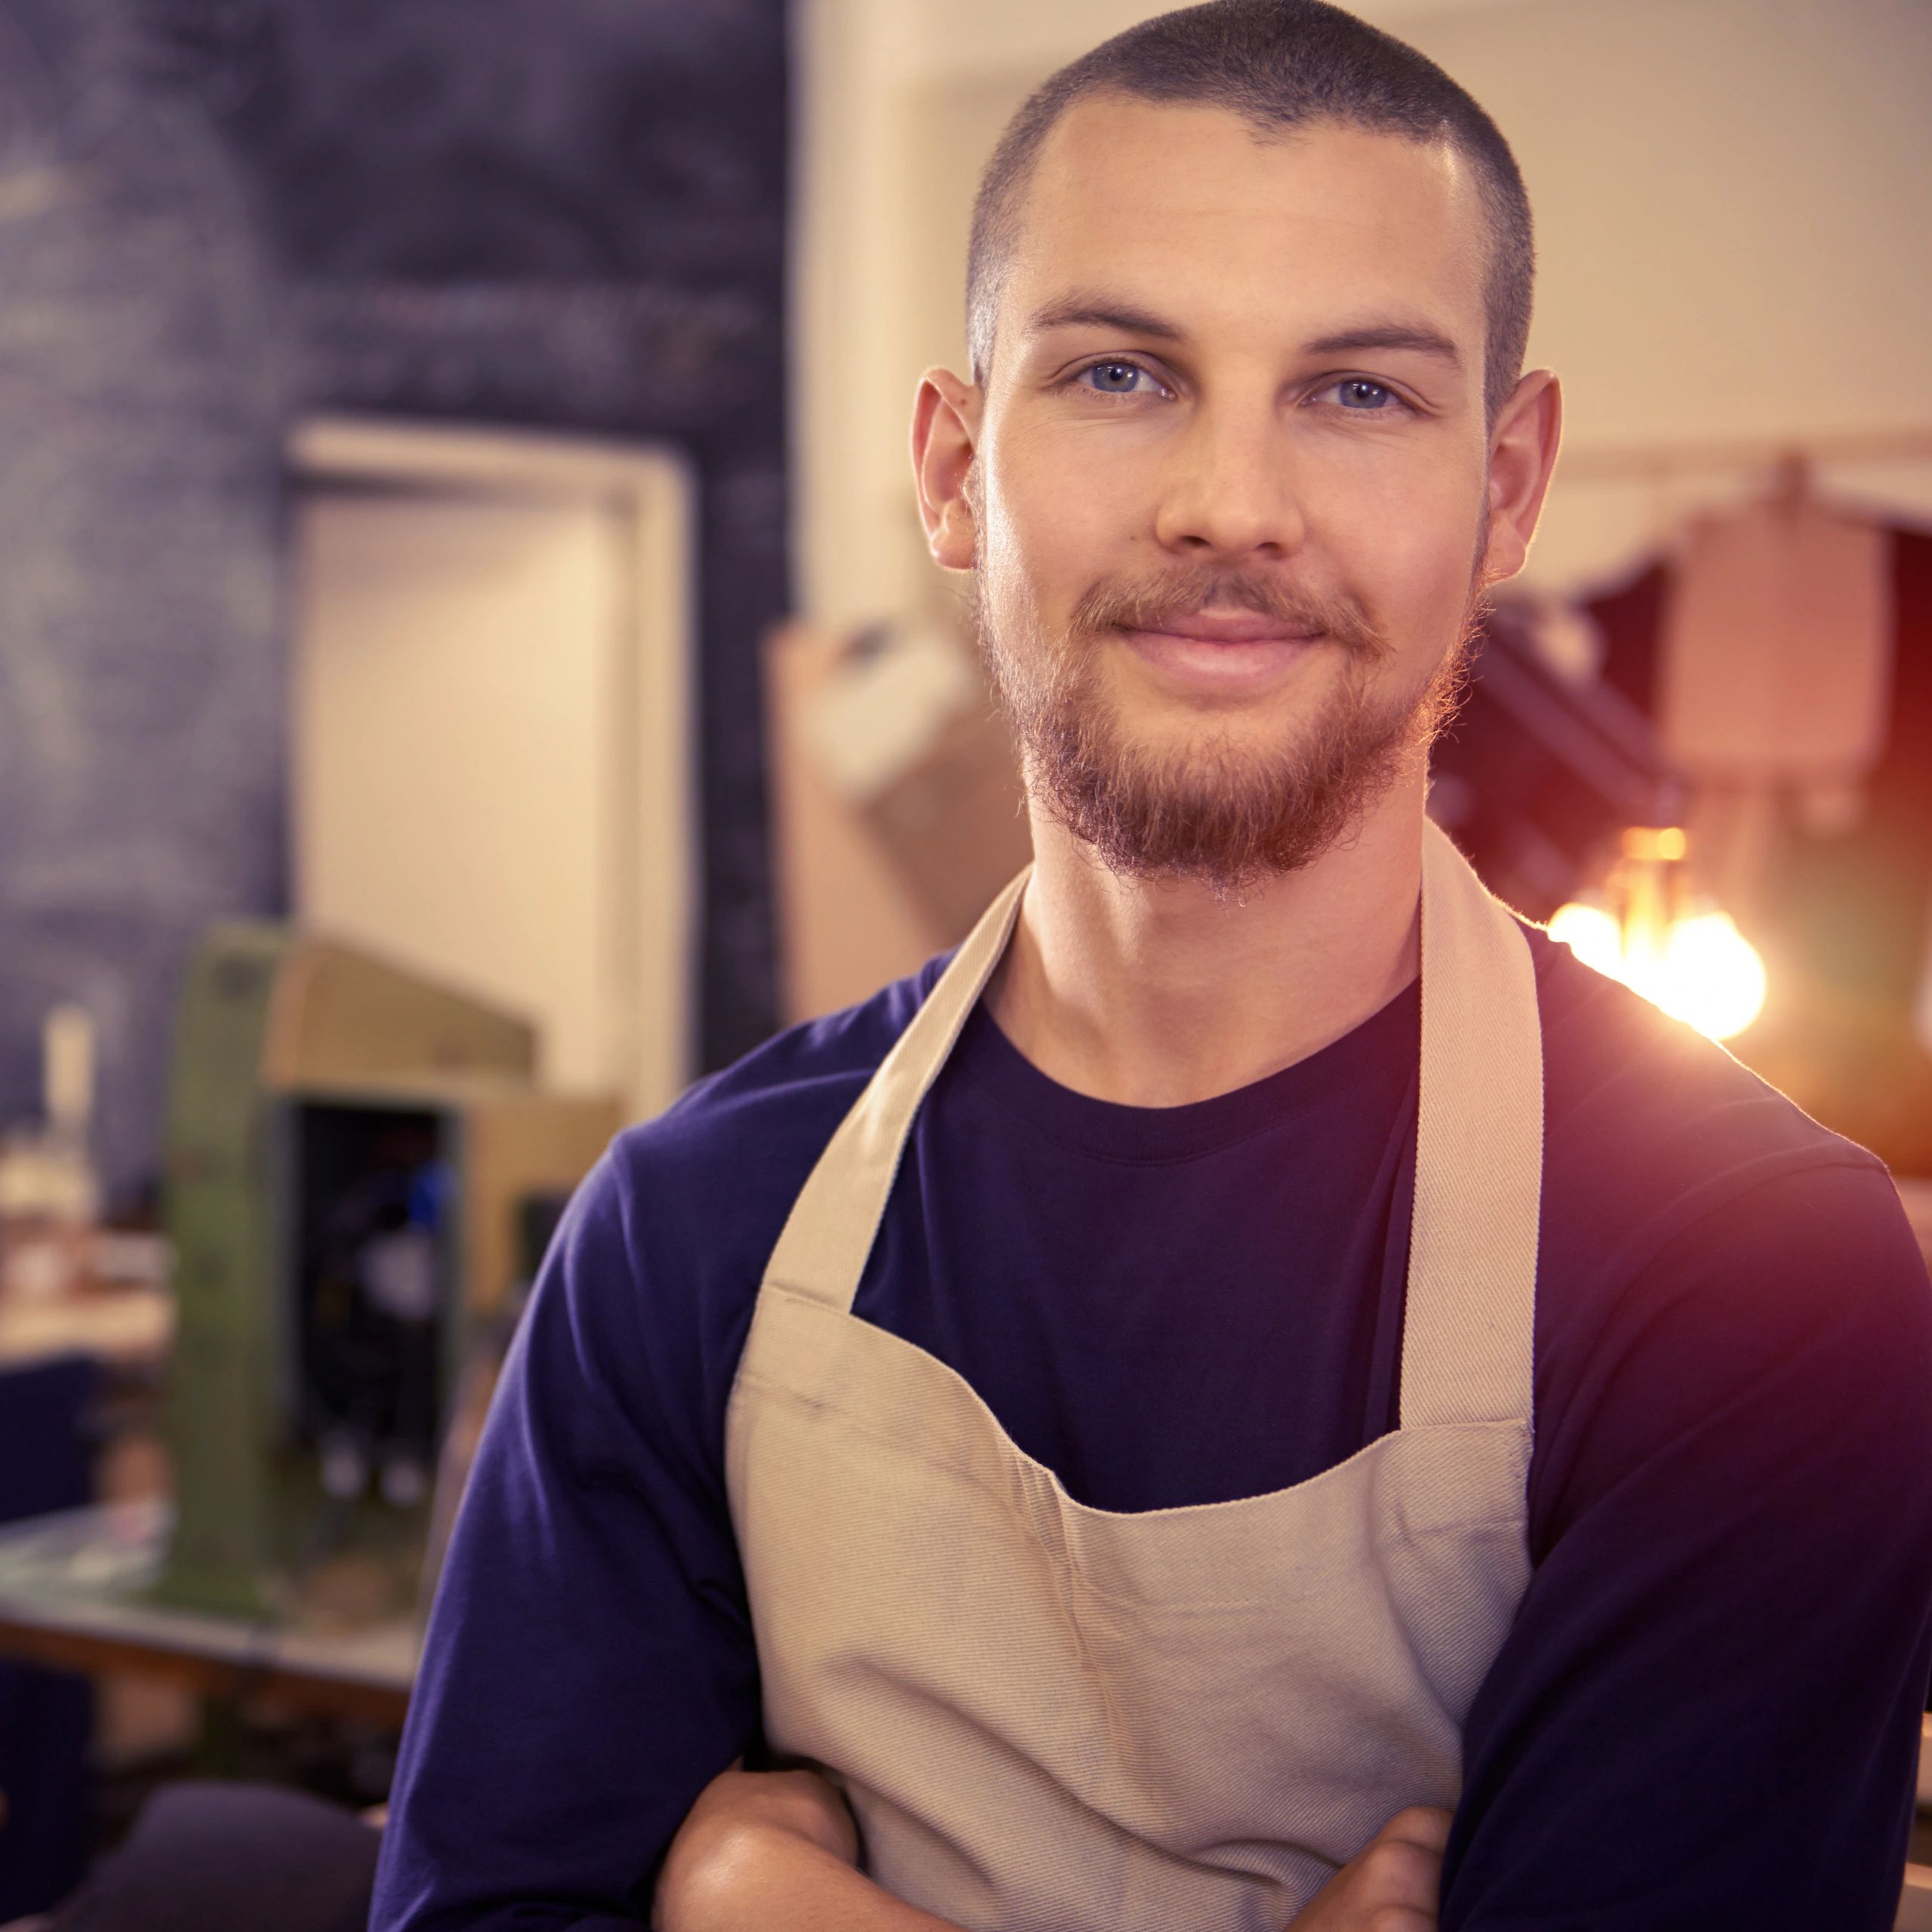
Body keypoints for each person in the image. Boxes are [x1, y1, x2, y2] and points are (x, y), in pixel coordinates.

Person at [369, 4, 1932, 1928]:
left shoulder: (1752, 1271)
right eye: (1119, 372)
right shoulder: (689, 1225)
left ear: (1507, 488)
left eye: (1356, 392)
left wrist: (765, 1902)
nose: (1230, 503)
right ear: (955, 468)